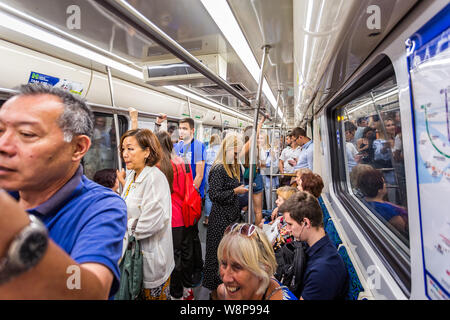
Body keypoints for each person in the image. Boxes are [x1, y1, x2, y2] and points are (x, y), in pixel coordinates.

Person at [0, 83, 127, 299]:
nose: (3, 144)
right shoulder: (8, 192)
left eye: (27, 134)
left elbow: (90, 291)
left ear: (78, 148)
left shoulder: (102, 207)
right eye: (0, 131)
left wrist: (18, 235)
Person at [119, 128, 174, 300]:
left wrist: (121, 226)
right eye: (123, 149)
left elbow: (151, 223)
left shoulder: (155, 178)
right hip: (135, 256)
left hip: (152, 258)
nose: (124, 154)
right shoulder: (132, 176)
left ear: (147, 152)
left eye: (130, 148)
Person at [278, 191, 348, 300]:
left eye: (290, 224)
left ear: (306, 223)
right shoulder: (314, 246)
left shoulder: (323, 270)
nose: (287, 229)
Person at [202, 132, 248, 297]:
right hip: (220, 218)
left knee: (228, 255)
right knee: (217, 257)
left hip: (231, 216)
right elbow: (214, 195)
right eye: (235, 153)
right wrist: (235, 191)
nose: (237, 156)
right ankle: (214, 293)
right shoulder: (219, 168)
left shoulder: (232, 167)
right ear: (226, 150)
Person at [156, 130, 193, 300]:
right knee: (179, 255)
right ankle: (180, 290)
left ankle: (169, 291)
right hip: (180, 216)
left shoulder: (156, 167)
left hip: (164, 218)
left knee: (165, 258)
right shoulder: (181, 162)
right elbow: (188, 189)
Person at [216, 223, 297, 300]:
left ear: (264, 270)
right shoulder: (223, 292)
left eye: (237, 267)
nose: (226, 279)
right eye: (224, 264)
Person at [173, 117, 206, 286]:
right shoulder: (176, 147)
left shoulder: (198, 146)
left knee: (192, 234)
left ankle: (198, 267)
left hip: (192, 197)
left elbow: (199, 174)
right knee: (185, 237)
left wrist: (190, 193)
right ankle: (189, 268)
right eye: (180, 128)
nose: (182, 131)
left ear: (192, 130)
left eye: (185, 128)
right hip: (180, 199)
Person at [357, 167, 408, 234]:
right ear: (379, 190)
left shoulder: (363, 201)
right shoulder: (386, 210)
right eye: (384, 183)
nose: (386, 185)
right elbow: (404, 229)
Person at [259, 130, 279, 211]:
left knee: (270, 200)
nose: (259, 140)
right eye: (258, 138)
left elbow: (274, 167)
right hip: (259, 179)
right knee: (261, 201)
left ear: (266, 139)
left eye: (261, 138)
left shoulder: (271, 151)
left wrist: (262, 165)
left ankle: (271, 216)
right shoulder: (256, 150)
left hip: (269, 179)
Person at [204, 133, 221, 226]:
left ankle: (207, 218)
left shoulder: (207, 151)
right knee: (218, 196)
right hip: (219, 171)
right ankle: (216, 219)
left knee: (208, 196)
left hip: (208, 171)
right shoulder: (222, 151)